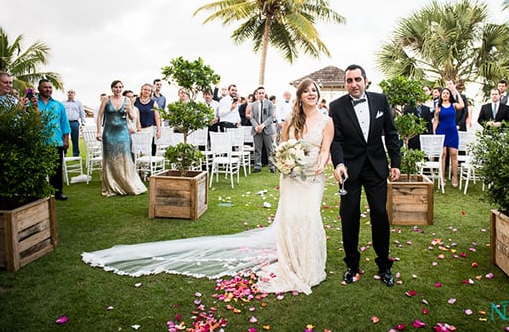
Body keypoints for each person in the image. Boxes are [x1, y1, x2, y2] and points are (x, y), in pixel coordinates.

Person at [82, 78, 334, 295]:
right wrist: (284, 161)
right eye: (307, 90)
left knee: (309, 216)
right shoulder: (291, 119)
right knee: (290, 218)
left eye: (314, 90)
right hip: (291, 176)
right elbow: (281, 145)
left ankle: (308, 264)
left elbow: (325, 150)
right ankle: (291, 259)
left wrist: (320, 165)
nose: (311, 93)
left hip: (312, 178)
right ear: (300, 95)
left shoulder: (326, 121)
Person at [329, 64, 400, 287]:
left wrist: (395, 163)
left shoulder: (380, 100)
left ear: (365, 81)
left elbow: (391, 132)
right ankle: (351, 265)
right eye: (349, 81)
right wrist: (339, 163)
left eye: (357, 79)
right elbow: (336, 140)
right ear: (345, 84)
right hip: (349, 170)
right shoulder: (336, 106)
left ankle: (384, 265)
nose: (354, 84)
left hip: (376, 167)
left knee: (380, 213)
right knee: (349, 216)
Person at [96, 80, 147, 196]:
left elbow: (133, 117)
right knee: (110, 159)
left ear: (122, 88)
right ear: (112, 88)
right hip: (109, 132)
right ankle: (111, 185)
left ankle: (126, 183)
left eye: (120, 87)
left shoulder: (127, 100)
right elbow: (99, 116)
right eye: (115, 87)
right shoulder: (106, 99)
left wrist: (129, 111)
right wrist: (99, 131)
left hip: (123, 133)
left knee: (125, 158)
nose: (118, 89)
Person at [36, 79, 71, 201]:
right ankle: (39, 192)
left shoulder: (58, 105)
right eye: (45, 87)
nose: (48, 89)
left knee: (56, 169)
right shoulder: (32, 103)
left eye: (50, 87)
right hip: (37, 142)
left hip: (55, 141)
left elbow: (64, 123)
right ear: (39, 89)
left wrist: (66, 139)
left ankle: (57, 192)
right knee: (38, 168)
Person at [433, 87, 466, 187]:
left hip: (452, 132)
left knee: (454, 154)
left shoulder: (454, 105)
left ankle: (455, 178)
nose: (445, 95)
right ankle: (442, 177)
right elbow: (436, 120)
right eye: (443, 93)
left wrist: (455, 91)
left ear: (449, 95)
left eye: (447, 93)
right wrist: (434, 132)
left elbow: (462, 105)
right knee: (443, 154)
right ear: (441, 95)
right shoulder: (438, 107)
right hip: (442, 131)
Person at [250, 86, 276, 173]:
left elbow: (271, 116)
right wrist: (257, 126)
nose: (261, 94)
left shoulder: (270, 104)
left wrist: (263, 125)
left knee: (270, 149)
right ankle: (257, 166)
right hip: (256, 130)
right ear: (257, 94)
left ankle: (272, 166)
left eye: (262, 93)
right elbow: (251, 117)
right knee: (257, 149)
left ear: (264, 94)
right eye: (259, 93)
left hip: (267, 129)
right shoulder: (253, 105)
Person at [134, 83, 162, 152]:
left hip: (148, 129)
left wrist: (158, 130)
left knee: (148, 150)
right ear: (142, 90)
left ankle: (150, 162)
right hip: (136, 129)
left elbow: (157, 117)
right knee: (136, 150)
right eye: (145, 89)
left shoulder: (153, 103)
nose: (146, 91)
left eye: (149, 90)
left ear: (151, 92)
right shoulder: (135, 100)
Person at [62, 89, 86, 157]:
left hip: (74, 123)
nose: (70, 93)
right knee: (64, 139)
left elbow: (82, 113)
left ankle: (76, 154)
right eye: (69, 92)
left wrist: (83, 123)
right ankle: (64, 154)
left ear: (74, 94)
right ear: (67, 94)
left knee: (75, 139)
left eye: (72, 92)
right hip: (65, 123)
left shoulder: (78, 103)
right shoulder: (63, 103)